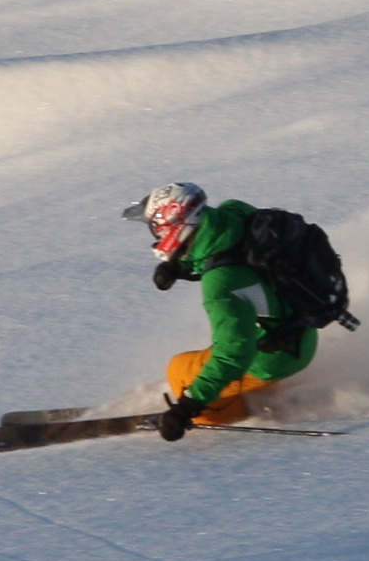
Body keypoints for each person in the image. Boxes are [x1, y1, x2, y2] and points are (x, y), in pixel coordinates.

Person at [125, 181, 319, 440]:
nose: (157, 237)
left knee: (179, 371)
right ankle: (261, 391)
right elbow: (235, 251)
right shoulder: (233, 213)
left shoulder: (221, 284)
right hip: (299, 331)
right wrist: (182, 264)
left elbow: (233, 354)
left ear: (174, 226)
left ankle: (233, 411)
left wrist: (186, 408)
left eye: (156, 229)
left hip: (273, 357)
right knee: (220, 347)